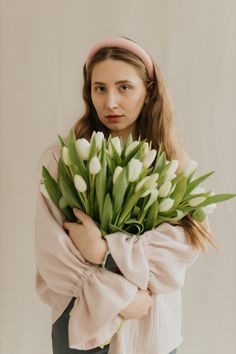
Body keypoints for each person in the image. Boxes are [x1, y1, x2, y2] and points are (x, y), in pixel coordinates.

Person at [34, 36, 218, 354]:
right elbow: (52, 256)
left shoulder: (172, 164)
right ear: (88, 92)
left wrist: (106, 250)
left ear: (148, 91)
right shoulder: (61, 160)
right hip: (83, 327)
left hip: (152, 333)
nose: (111, 103)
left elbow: (184, 246)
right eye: (100, 88)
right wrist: (121, 297)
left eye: (124, 87)